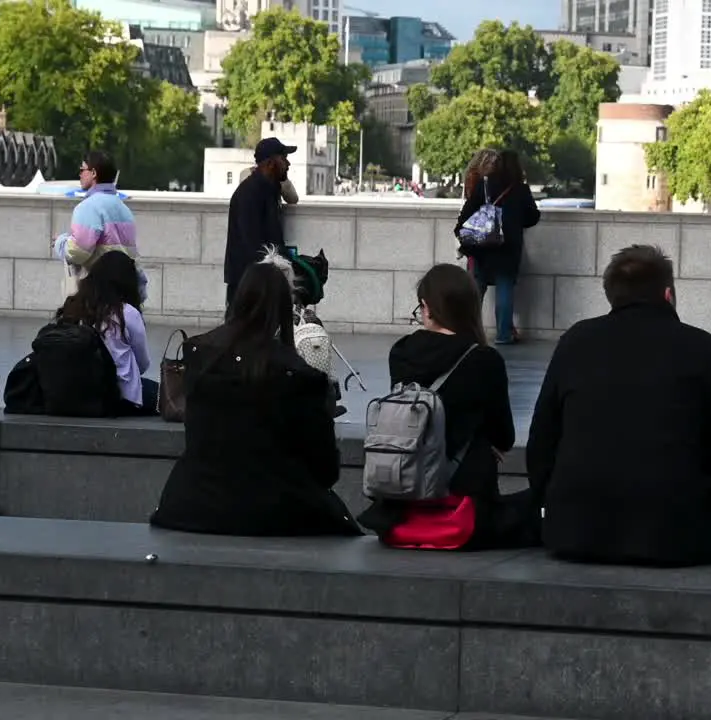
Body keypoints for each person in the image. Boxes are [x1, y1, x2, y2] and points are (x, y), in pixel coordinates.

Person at [526, 245, 711, 567]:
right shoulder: (702, 348)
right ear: (668, 294)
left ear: (611, 295)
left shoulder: (576, 341)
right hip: (677, 539)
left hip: (575, 534)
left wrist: (551, 509)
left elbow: (541, 441)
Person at [151, 264, 361, 537]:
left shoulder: (199, 355)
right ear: (283, 310)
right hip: (273, 511)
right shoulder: (298, 375)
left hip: (189, 503)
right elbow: (325, 469)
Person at [358, 264, 535, 549]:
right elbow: (504, 437)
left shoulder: (401, 353)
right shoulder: (484, 360)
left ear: (426, 307)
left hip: (399, 509)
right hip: (463, 508)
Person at [455, 149, 541, 345]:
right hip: (508, 247)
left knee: (476, 291)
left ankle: (469, 332)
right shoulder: (520, 189)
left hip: (482, 246)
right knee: (504, 289)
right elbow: (533, 217)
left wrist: (462, 233)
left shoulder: (484, 185)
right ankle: (503, 334)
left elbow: (467, 212)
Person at [57, 251, 156, 416]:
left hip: (77, 392)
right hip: (119, 399)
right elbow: (143, 364)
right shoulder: (127, 313)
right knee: (161, 394)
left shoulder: (74, 307)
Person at [52, 150, 147, 300]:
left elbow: (78, 251)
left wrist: (61, 243)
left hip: (99, 294)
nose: (80, 174)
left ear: (94, 173)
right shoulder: (124, 209)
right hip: (124, 293)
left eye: (82, 169)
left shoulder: (89, 207)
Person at [225, 137, 297, 307]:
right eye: (284, 158)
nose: (288, 164)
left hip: (260, 282)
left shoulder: (268, 189)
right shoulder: (249, 194)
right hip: (248, 286)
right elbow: (252, 245)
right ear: (271, 163)